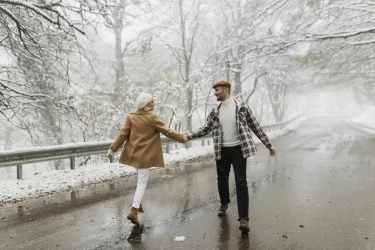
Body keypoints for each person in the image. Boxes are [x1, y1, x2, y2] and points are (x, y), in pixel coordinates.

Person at [186, 81, 276, 234]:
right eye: (214, 90)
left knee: (241, 182)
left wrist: (268, 144)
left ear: (226, 90)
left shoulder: (242, 107)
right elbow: (206, 128)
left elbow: (255, 126)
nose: (215, 93)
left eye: (217, 90)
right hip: (222, 151)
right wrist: (189, 136)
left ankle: (244, 219)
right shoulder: (215, 111)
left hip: (239, 150)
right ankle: (224, 202)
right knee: (222, 179)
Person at [108, 93, 187, 226]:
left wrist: (113, 149)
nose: (154, 104)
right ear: (145, 106)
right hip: (145, 155)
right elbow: (166, 131)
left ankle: (138, 204)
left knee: (140, 180)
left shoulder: (131, 117)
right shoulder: (152, 117)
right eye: (151, 102)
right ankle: (134, 210)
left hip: (134, 154)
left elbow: (122, 134)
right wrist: (181, 137)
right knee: (142, 183)